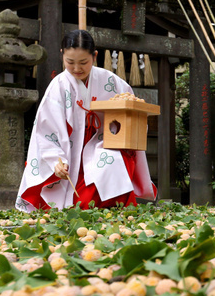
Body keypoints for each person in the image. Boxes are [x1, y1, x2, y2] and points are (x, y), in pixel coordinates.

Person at [16, 30, 156, 212]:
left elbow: (131, 113)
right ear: (62, 55)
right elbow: (45, 131)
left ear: (94, 56)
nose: (76, 69)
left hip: (104, 143)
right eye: (70, 62)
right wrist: (56, 160)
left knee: (114, 161)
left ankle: (115, 205)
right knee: (79, 204)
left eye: (83, 62)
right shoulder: (58, 86)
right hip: (71, 149)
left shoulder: (112, 82)